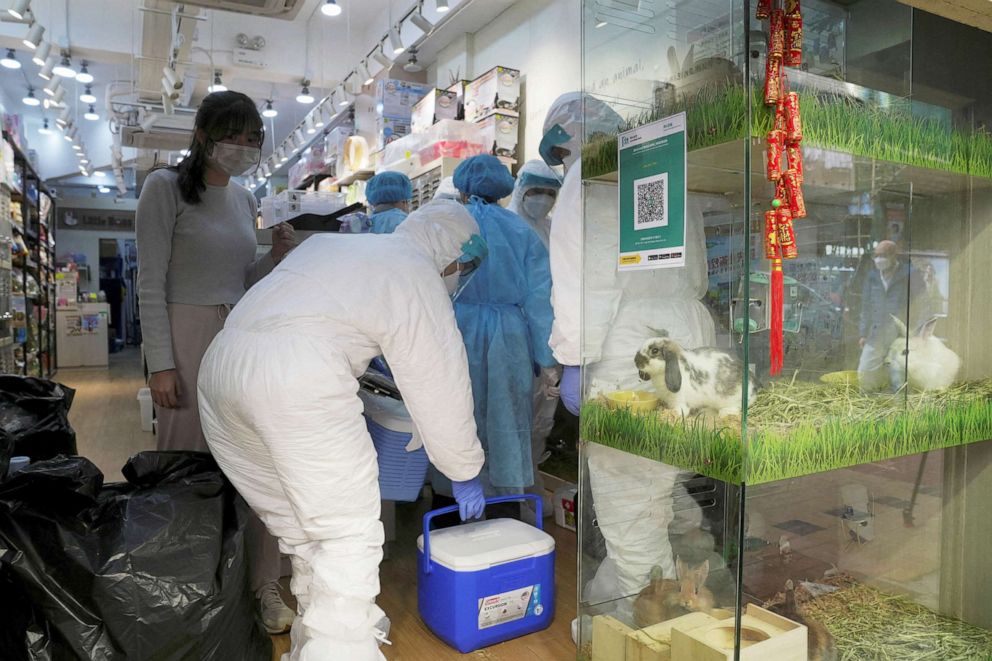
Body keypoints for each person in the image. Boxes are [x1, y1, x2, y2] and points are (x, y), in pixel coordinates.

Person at [196, 199, 488, 661]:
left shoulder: (340, 247)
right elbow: (439, 379)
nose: (459, 274)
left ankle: (315, 646)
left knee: (302, 532)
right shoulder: (414, 272)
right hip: (293, 377)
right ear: (448, 253)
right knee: (347, 533)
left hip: (221, 371)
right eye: (463, 265)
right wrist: (463, 467)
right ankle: (342, 649)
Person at [541, 93, 712, 626]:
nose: (562, 164)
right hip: (687, 340)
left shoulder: (589, 176)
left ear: (563, 141)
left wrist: (574, 358)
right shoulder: (662, 162)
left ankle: (656, 634)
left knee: (631, 506)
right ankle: (612, 614)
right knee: (654, 496)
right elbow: (698, 273)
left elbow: (585, 279)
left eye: (558, 154)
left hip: (626, 348)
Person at [136, 90, 297, 634]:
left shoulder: (245, 199)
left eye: (254, 138)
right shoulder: (163, 189)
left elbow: (240, 279)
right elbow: (149, 283)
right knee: (185, 461)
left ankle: (263, 583)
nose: (246, 146)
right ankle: (181, 582)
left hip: (241, 332)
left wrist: (272, 257)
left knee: (258, 455)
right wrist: (161, 361)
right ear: (203, 135)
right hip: (184, 333)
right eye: (236, 135)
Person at [450, 155, 557, 503]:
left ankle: (455, 501)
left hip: (456, 329)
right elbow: (539, 299)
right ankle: (504, 505)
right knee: (508, 418)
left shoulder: (449, 224)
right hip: (509, 334)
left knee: (457, 414)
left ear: (462, 189)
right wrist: (547, 358)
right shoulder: (521, 231)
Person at [506, 159, 563, 516]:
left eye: (549, 192)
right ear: (520, 190)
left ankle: (530, 492)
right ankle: (516, 500)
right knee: (515, 423)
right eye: (535, 191)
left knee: (540, 424)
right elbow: (532, 297)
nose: (541, 199)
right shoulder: (509, 227)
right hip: (519, 340)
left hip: (550, 340)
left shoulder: (552, 229)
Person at [858, 240, 929, 391]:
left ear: (893, 255)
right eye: (876, 255)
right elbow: (865, 306)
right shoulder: (872, 276)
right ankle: (865, 404)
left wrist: (919, 332)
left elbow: (923, 303)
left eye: (882, 255)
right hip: (876, 333)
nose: (878, 259)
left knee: (899, 374)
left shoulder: (910, 274)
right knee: (865, 372)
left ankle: (898, 410)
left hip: (901, 334)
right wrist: (863, 333)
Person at [507, 159, 562, 248]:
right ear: (520, 191)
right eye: (537, 191)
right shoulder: (505, 225)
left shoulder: (551, 228)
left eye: (551, 194)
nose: (544, 199)